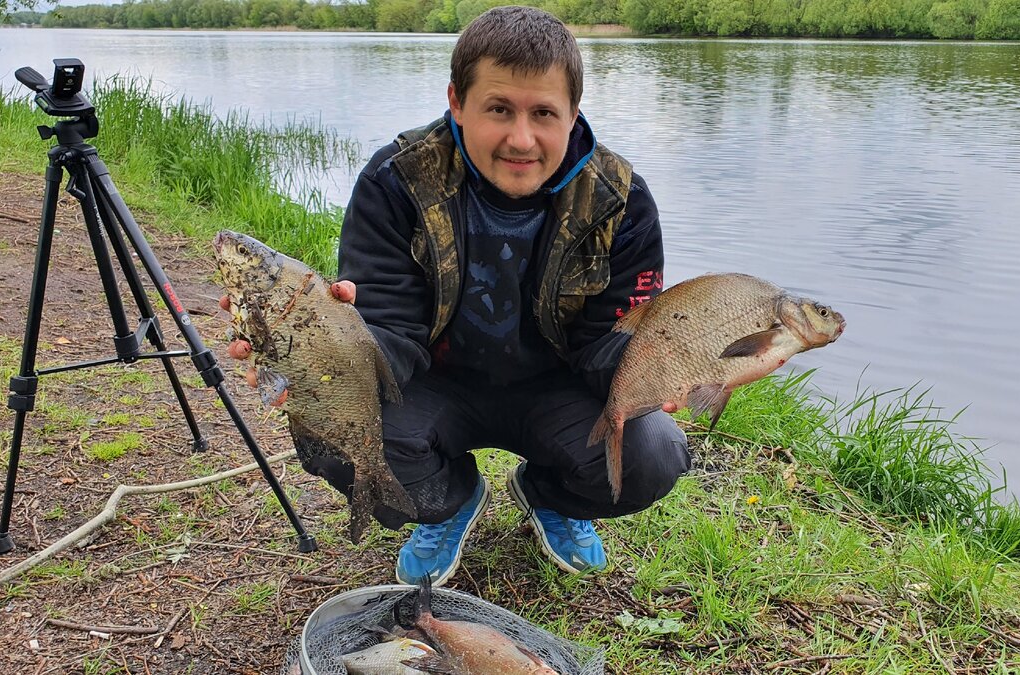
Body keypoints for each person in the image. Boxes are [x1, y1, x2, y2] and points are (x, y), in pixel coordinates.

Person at [225, 5, 689, 587]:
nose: (521, 139)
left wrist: (665, 372)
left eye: (544, 113)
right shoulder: (395, 181)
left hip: (558, 390)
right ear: (457, 101)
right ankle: (452, 498)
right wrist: (309, 361)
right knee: (332, 443)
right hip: (433, 386)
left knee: (653, 452)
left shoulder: (621, 202)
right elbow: (390, 331)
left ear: (573, 114)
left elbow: (609, 343)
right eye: (499, 109)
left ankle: (548, 495)